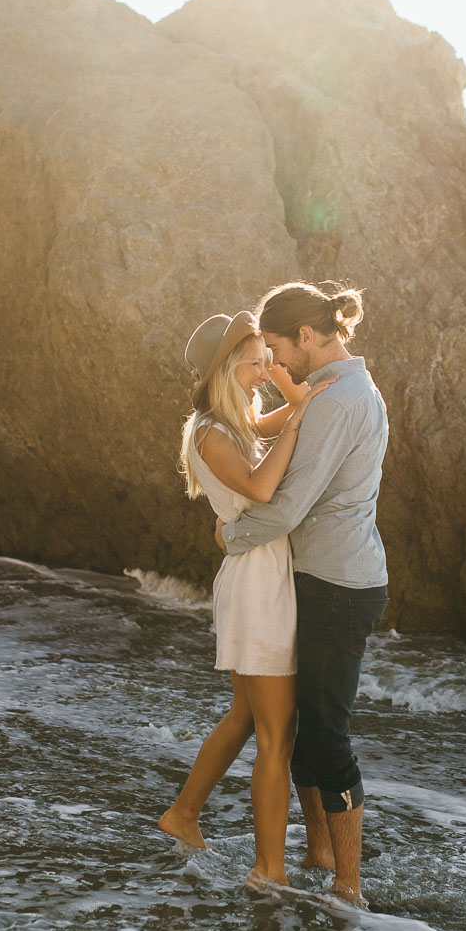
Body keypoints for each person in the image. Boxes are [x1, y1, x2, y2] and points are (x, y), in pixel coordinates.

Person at [215, 281, 388, 906]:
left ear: (308, 336)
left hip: (340, 586)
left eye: (279, 349)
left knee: (327, 737)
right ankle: (319, 854)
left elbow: (288, 505)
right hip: (325, 579)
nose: (276, 363)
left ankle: (349, 886)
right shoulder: (339, 389)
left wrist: (231, 535)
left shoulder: (338, 401)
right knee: (305, 730)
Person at [158, 309, 330, 888]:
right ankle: (268, 870)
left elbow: (286, 412)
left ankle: (183, 814)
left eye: (266, 361)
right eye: (255, 363)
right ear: (225, 368)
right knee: (277, 735)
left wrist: (293, 390)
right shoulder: (211, 432)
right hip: (258, 584)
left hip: (257, 572)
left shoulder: (235, 423)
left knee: (244, 717)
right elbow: (260, 485)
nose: (265, 372)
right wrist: (299, 419)